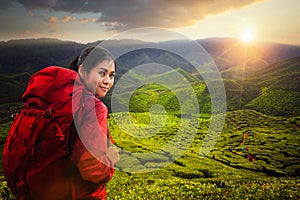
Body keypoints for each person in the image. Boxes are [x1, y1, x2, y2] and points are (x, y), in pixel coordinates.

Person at [69, 46, 120, 199]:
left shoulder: (67, 97)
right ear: (82, 71)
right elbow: (92, 170)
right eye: (101, 73)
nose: (107, 81)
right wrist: (110, 159)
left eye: (111, 75)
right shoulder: (95, 108)